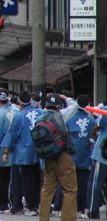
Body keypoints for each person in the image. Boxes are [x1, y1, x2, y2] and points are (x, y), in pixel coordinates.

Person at [2, 90, 43, 216]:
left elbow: (13, 135)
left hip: (22, 153)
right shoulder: (41, 113)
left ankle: (20, 206)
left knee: (19, 182)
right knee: (36, 180)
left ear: (19, 102)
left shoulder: (19, 116)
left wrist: (7, 150)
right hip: (39, 152)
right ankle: (35, 205)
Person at [38, 93, 78, 221]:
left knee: (47, 190)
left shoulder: (40, 118)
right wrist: (65, 97)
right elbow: (75, 105)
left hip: (48, 157)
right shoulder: (61, 115)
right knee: (69, 189)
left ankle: (43, 218)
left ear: (46, 105)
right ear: (59, 106)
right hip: (63, 156)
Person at [56, 94, 94, 218]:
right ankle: (81, 209)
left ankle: (59, 207)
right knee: (82, 185)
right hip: (84, 156)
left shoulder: (70, 118)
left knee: (65, 183)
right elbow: (92, 136)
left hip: (70, 155)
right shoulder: (92, 120)